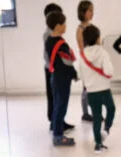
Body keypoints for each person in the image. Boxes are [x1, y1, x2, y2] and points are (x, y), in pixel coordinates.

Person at [79, 25, 115, 153]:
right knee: (111, 109)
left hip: (91, 91)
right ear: (98, 38)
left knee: (97, 117)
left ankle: (98, 145)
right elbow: (109, 71)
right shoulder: (102, 52)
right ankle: (106, 129)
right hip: (104, 89)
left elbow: (80, 75)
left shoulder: (82, 55)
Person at [47, 10, 79, 147]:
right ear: (58, 26)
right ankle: (58, 136)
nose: (66, 26)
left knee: (56, 105)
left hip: (54, 77)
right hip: (63, 79)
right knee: (61, 106)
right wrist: (74, 74)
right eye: (64, 24)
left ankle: (56, 129)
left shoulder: (49, 40)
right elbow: (67, 63)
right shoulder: (61, 44)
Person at [43, 4, 70, 132]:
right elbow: (50, 55)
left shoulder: (54, 34)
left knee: (58, 97)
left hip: (55, 69)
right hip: (51, 69)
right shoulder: (49, 35)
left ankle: (59, 121)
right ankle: (54, 121)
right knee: (54, 96)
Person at [76, 2, 96, 122]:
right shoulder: (80, 29)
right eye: (90, 11)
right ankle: (85, 113)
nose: (92, 13)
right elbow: (81, 48)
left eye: (93, 10)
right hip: (87, 61)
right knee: (86, 88)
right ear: (83, 12)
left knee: (93, 87)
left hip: (93, 60)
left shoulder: (91, 27)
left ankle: (94, 111)